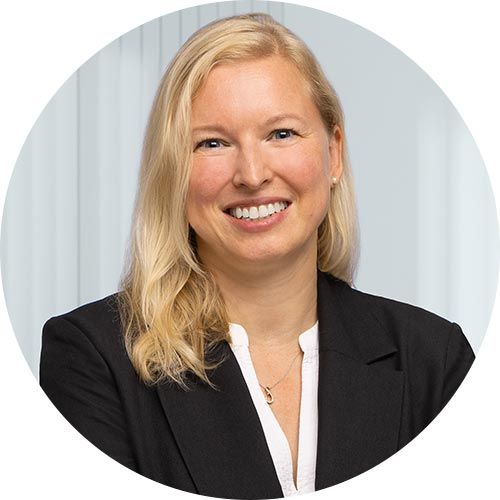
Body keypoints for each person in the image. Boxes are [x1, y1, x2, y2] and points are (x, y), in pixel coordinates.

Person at [40, 13, 474, 499]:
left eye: (281, 134)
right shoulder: (93, 359)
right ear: (173, 170)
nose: (251, 174)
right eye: (212, 143)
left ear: (333, 153)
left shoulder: (434, 360)